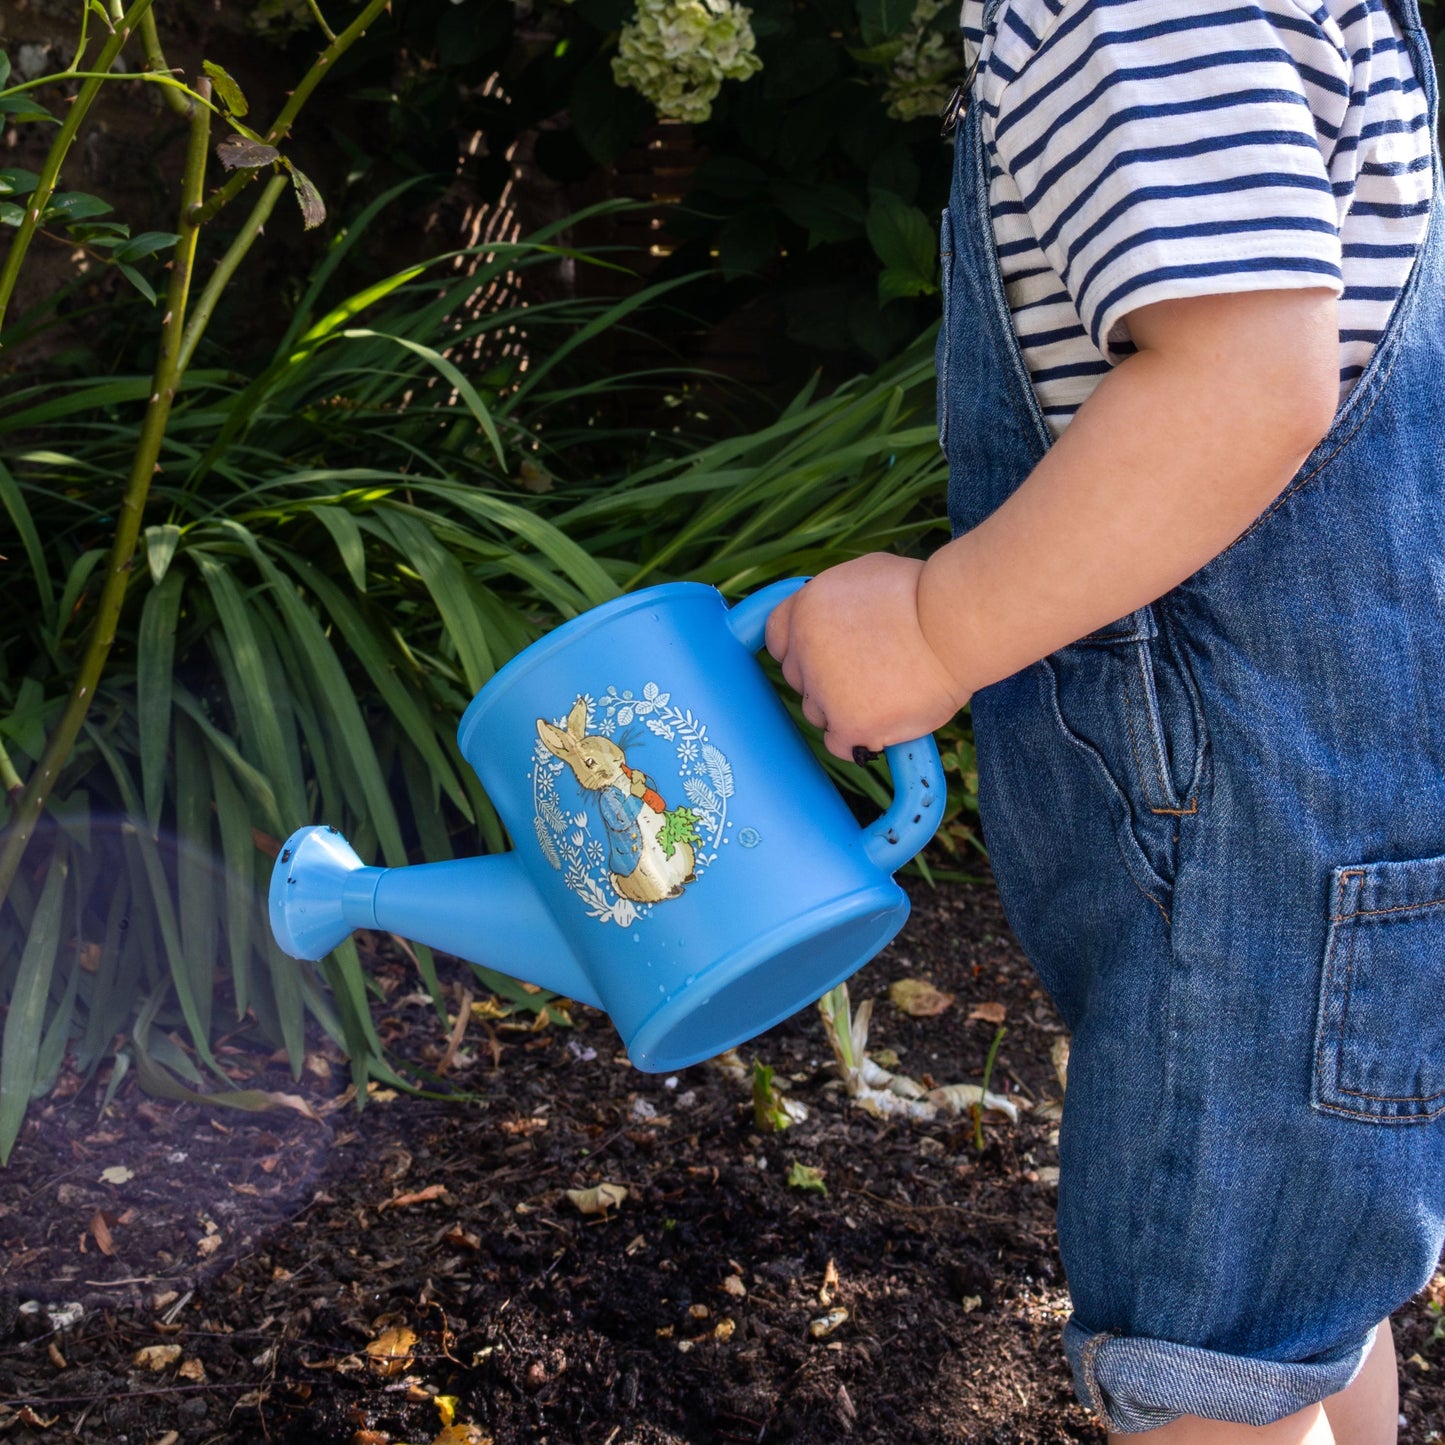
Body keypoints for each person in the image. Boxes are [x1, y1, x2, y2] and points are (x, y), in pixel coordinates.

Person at [764, 0, 1444, 1440]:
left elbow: (1243, 375)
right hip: (1352, 830)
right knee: (1286, 1314)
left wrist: (935, 628)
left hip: (1251, 861)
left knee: (1209, 1368)